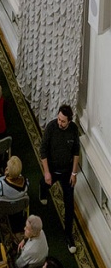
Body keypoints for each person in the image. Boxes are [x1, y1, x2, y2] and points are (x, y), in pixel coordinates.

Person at [40, 104, 81, 252]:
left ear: (69, 121)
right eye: (59, 119)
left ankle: (68, 235)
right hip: (51, 168)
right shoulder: (51, 127)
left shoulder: (74, 129)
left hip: (67, 172)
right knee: (44, 183)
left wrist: (74, 173)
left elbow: (76, 151)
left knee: (69, 204)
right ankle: (43, 191)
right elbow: (43, 150)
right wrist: (46, 172)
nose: (60, 122)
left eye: (63, 121)